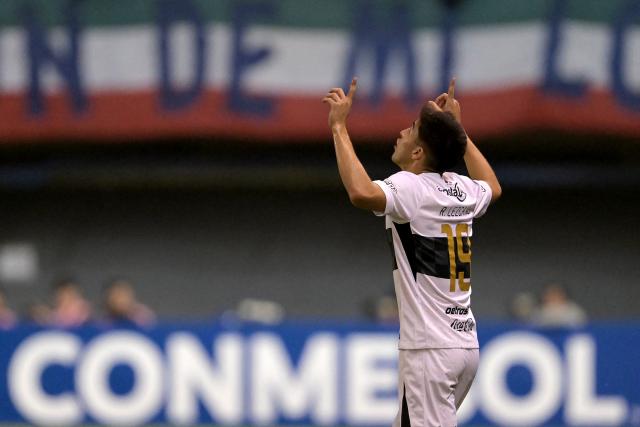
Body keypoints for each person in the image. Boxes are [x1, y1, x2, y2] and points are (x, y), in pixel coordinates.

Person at [323, 78, 501, 427]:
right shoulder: (460, 188)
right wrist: (458, 132)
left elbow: (360, 193)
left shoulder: (411, 187)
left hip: (429, 351)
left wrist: (339, 126)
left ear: (418, 153)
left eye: (412, 129)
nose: (403, 132)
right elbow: (492, 187)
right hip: (464, 345)